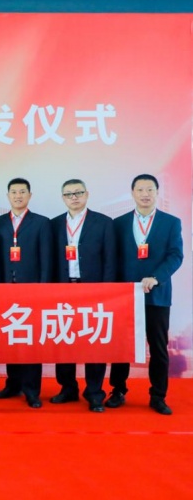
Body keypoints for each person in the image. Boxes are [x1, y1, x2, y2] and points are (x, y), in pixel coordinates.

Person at [107, 174, 183, 415]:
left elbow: (175, 255)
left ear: (157, 192)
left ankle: (158, 396)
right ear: (133, 193)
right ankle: (118, 390)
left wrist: (156, 277)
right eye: (140, 189)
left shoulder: (171, 222)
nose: (145, 194)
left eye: (150, 189)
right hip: (125, 296)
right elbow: (113, 257)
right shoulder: (118, 223)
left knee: (158, 347)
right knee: (122, 345)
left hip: (156, 295)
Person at [50, 179, 116, 413]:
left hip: (93, 289)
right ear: (63, 198)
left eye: (78, 193)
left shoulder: (104, 222)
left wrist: (107, 291)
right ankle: (67, 388)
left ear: (87, 194)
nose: (74, 197)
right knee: (63, 338)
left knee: (94, 340)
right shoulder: (54, 224)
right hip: (63, 288)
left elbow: (110, 260)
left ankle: (94, 392)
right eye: (69, 194)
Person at [0, 178, 52, 409]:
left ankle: (32, 390)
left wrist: (43, 288)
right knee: (11, 337)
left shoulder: (41, 222)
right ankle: (13, 384)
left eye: (22, 192)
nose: (18, 196)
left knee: (31, 341)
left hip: (32, 290)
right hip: (6, 290)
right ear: (8, 196)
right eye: (14, 192)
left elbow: (46, 258)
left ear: (29, 195)